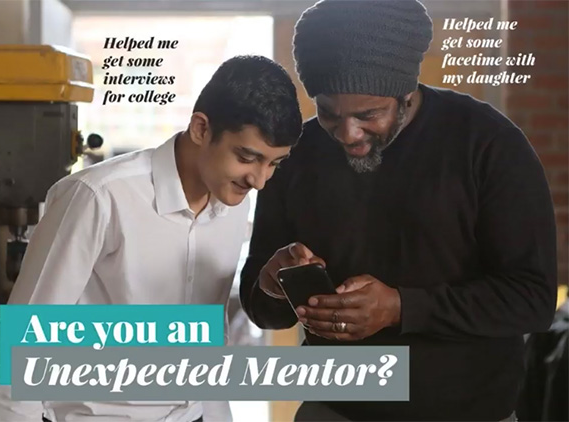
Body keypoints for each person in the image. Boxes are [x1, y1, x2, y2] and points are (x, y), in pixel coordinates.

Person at [239, 1, 558, 421]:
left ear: (406, 92)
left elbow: (532, 299)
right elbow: (259, 306)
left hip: (468, 412)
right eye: (329, 113)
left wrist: (401, 307)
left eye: (368, 114)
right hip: (332, 408)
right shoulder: (297, 153)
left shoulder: (488, 145)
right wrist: (273, 283)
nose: (347, 133)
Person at [0, 55, 302, 422]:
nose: (260, 180)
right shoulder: (97, 197)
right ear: (201, 129)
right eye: (247, 157)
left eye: (274, 164)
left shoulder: (231, 200)